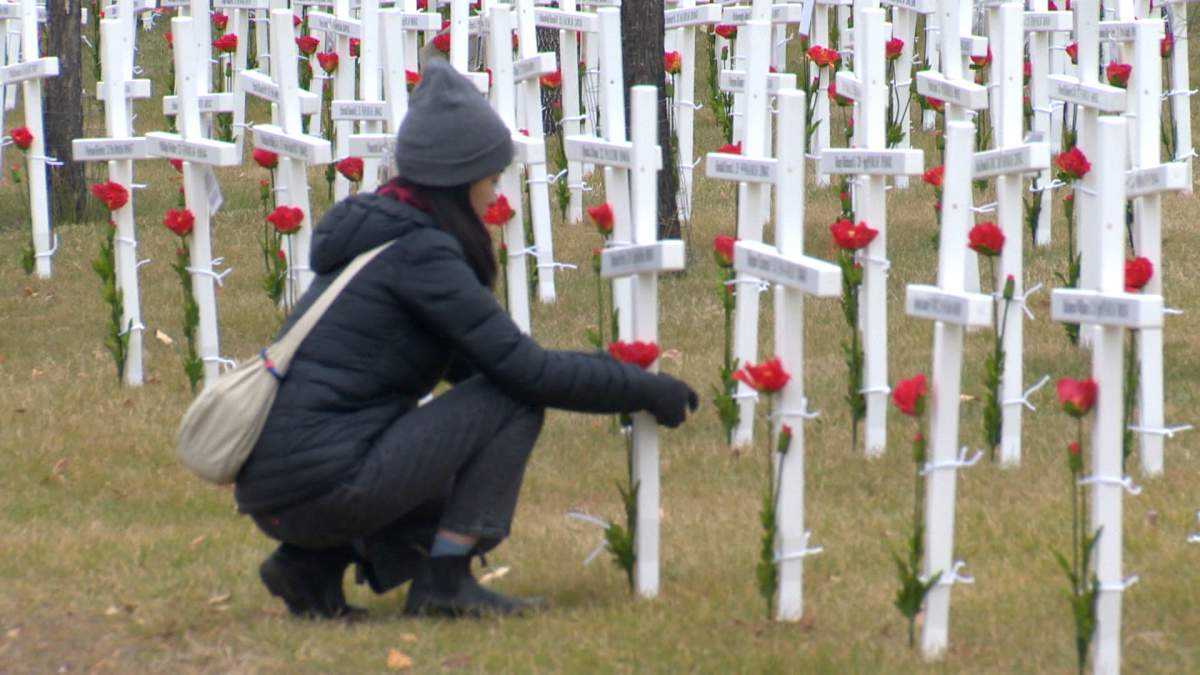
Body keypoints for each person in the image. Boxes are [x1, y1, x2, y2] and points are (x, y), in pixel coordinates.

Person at [234, 59, 698, 620]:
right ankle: (444, 582)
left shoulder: (385, 237)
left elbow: (475, 369)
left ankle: (310, 568)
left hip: (280, 492)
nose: (493, 190)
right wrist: (641, 387)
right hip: (324, 487)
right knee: (512, 401)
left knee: (464, 429)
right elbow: (521, 375)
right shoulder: (422, 254)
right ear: (461, 180)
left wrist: (601, 371)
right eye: (490, 176)